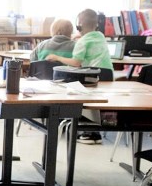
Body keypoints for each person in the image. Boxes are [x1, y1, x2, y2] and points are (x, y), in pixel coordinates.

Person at [46, 9, 113, 144]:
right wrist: (80, 37)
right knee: (96, 102)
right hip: (108, 73)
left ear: (79, 25)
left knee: (79, 96)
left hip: (91, 74)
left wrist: (56, 57)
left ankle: (87, 131)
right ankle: (95, 130)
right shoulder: (100, 36)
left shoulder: (81, 43)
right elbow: (90, 41)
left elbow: (76, 63)